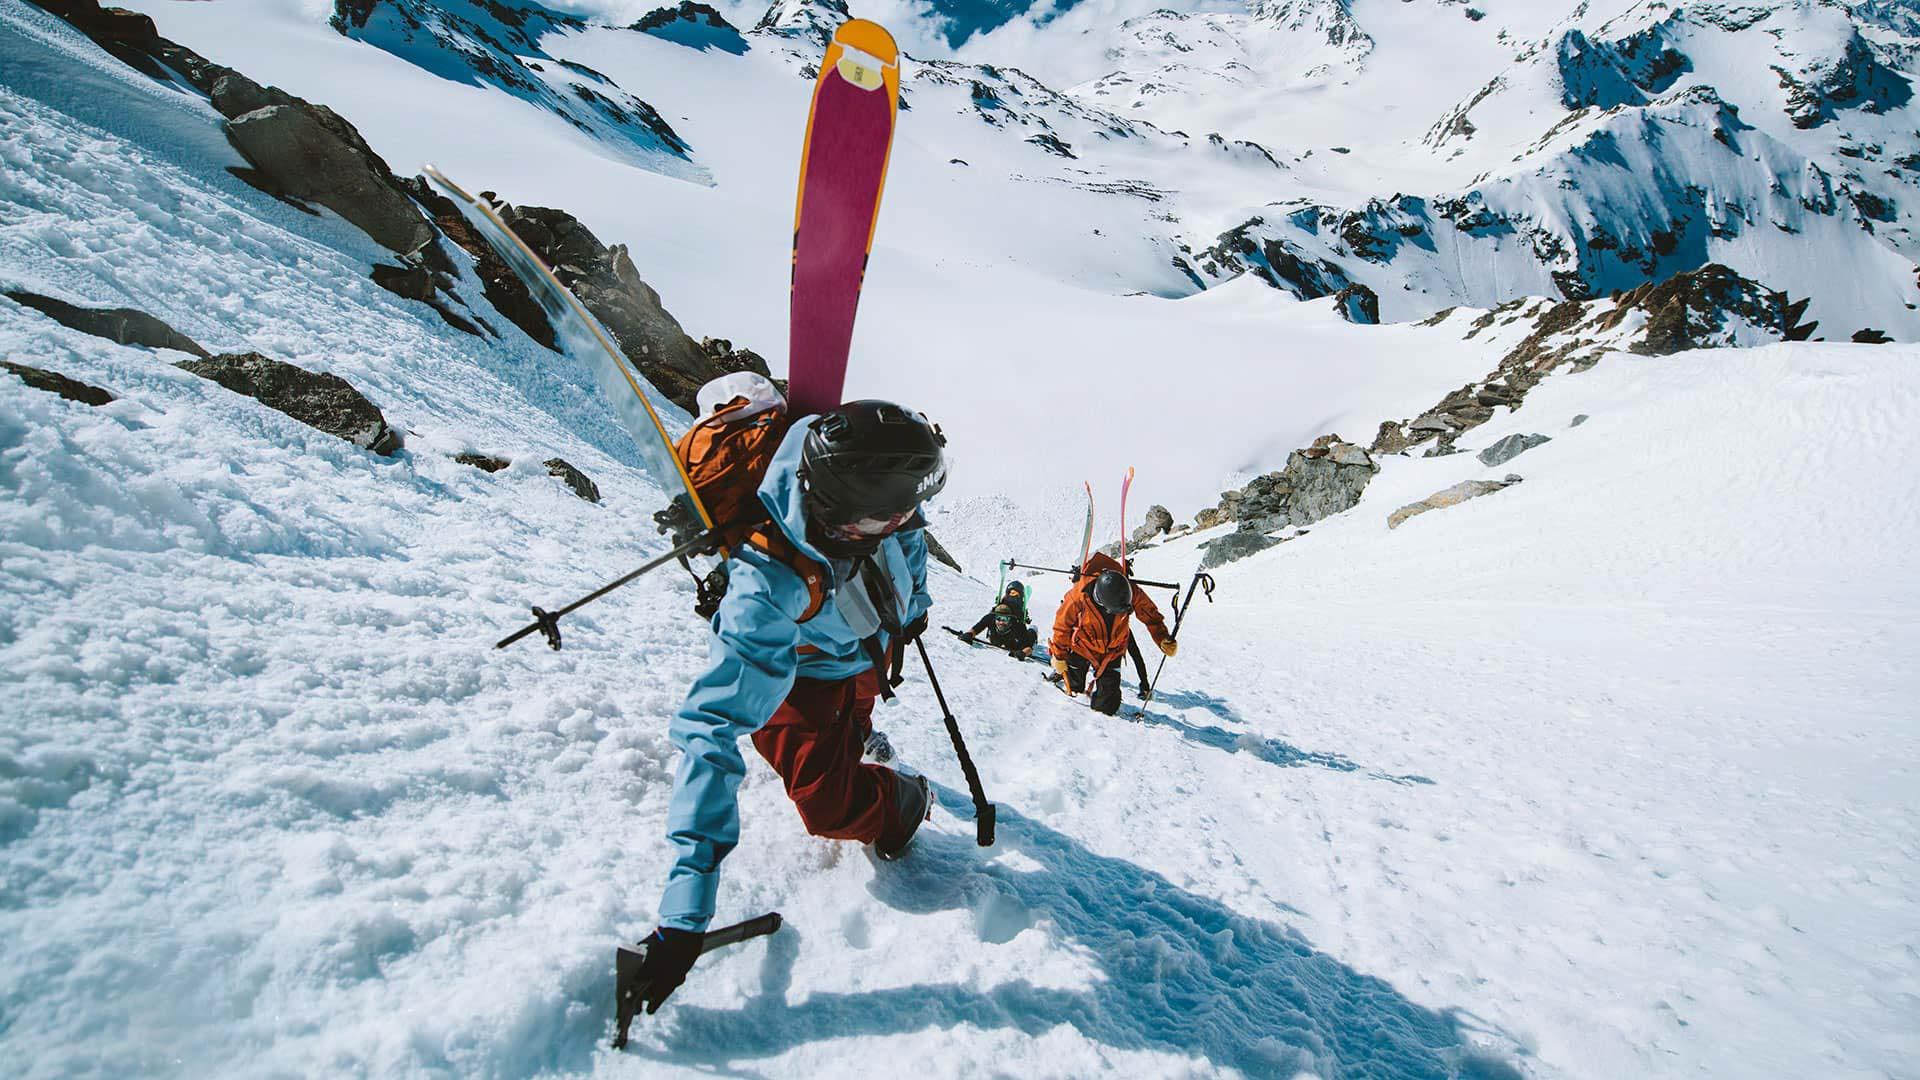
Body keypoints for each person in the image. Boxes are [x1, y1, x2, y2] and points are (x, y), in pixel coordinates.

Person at [630, 400, 947, 1013]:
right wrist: (684, 911)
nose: (908, 515)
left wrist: (916, 605)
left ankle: (858, 742)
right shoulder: (767, 587)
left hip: (863, 653)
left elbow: (910, 532)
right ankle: (906, 801)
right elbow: (709, 732)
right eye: (894, 512)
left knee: (853, 730)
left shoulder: (867, 476)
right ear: (848, 520)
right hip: (798, 675)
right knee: (829, 805)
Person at [1050, 553, 1174, 715]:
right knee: (1074, 688)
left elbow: (1150, 615)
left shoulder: (1129, 590)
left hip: (1112, 651)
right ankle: (1063, 674)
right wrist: (1059, 656)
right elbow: (1062, 627)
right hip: (1083, 646)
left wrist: (1162, 637)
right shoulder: (1078, 596)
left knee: (1108, 706)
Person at [960, 581, 1038, 659]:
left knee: (1029, 636)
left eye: (1005, 619)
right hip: (995, 638)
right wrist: (969, 634)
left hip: (1013, 641)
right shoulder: (991, 617)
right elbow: (978, 627)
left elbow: (1028, 646)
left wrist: (1023, 653)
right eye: (999, 618)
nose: (1001, 622)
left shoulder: (1017, 624)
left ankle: (1033, 629)